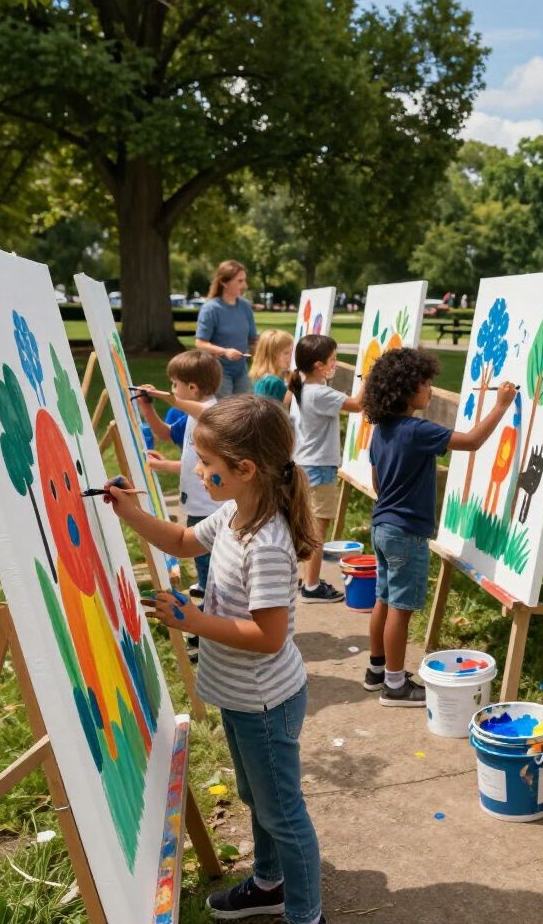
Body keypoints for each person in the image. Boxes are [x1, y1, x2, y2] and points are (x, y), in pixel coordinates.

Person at [106, 396, 324, 924]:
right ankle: (270, 883)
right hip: (241, 696)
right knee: (257, 796)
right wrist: (131, 514)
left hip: (265, 703)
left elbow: (269, 636)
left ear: (245, 470)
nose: (199, 473)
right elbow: (183, 541)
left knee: (283, 812)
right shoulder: (231, 513)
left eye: (208, 466)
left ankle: (307, 914)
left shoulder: (266, 543)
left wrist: (196, 621)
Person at [361, 349, 518, 707]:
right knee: (400, 608)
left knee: (383, 600)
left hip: (382, 525)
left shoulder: (381, 430)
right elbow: (473, 441)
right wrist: (501, 406)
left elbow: (378, 482)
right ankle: (396, 686)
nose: (431, 389)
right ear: (406, 391)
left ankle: (377, 670)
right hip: (406, 532)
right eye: (426, 384)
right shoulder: (417, 430)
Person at [136, 351, 224, 604]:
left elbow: (194, 408)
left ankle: (211, 620)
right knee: (204, 563)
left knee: (212, 568)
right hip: (198, 504)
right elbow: (165, 434)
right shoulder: (191, 417)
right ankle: (211, 605)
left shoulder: (211, 412)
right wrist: (146, 407)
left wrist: (164, 397)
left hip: (210, 506)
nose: (171, 389)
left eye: (175, 384)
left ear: (193, 388)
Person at [289, 334, 363, 602]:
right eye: (333, 360)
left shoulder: (304, 388)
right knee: (317, 531)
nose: (336, 364)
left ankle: (304, 579)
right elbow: (357, 405)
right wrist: (367, 377)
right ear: (319, 365)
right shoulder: (320, 392)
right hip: (319, 468)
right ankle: (311, 586)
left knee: (306, 527)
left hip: (306, 465)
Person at [195, 259, 258, 397]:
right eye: (240, 281)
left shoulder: (245, 306)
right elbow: (200, 343)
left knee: (244, 411)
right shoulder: (211, 308)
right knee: (224, 415)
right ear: (224, 282)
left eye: (244, 280)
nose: (245, 285)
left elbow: (253, 339)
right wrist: (224, 351)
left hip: (242, 371)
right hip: (219, 372)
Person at [251, 329, 295, 408]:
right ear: (272, 355)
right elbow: (283, 405)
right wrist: (294, 384)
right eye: (286, 353)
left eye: (292, 352)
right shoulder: (272, 381)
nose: (291, 356)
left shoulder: (264, 376)